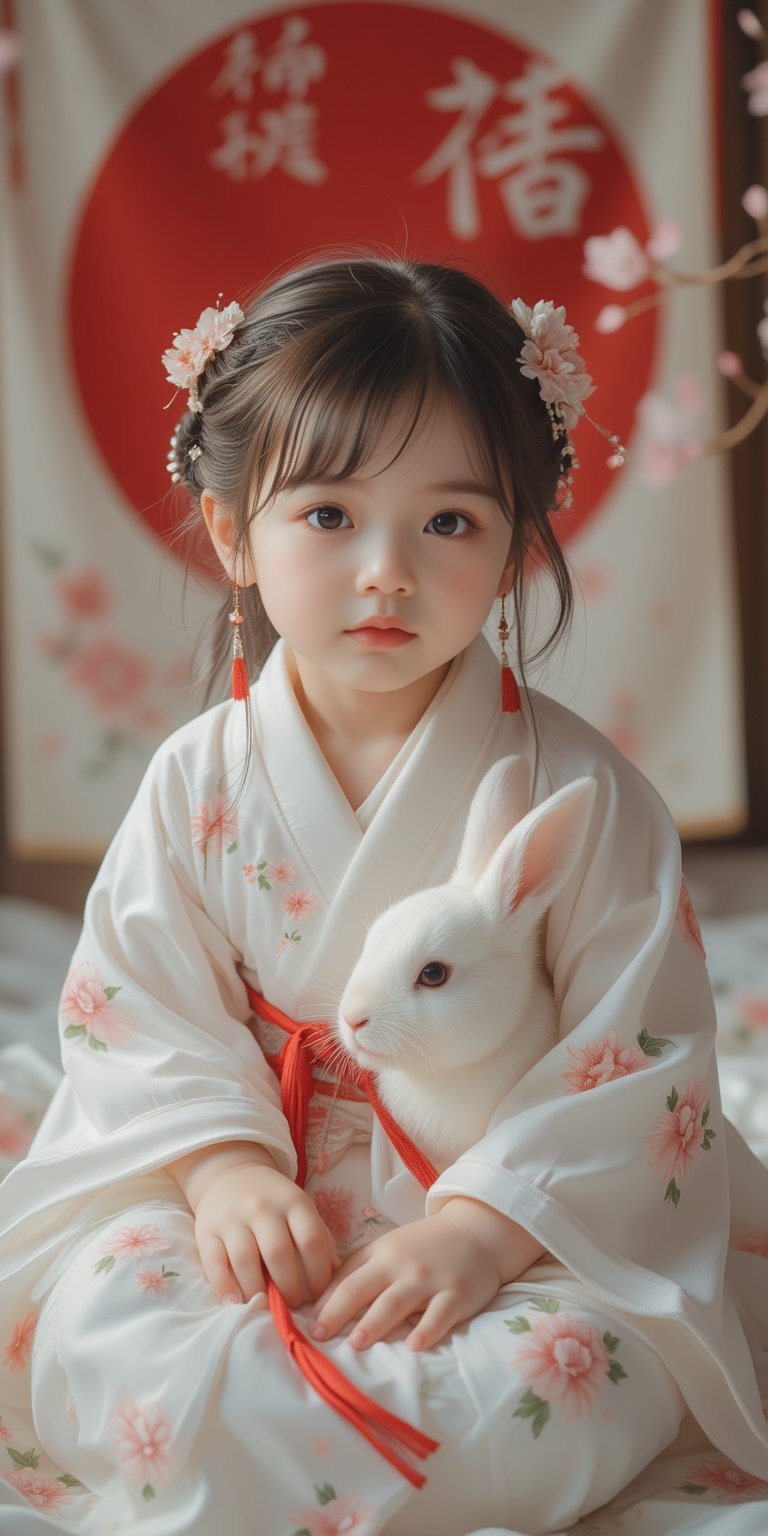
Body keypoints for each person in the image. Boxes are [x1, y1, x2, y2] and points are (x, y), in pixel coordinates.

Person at [0, 252, 767, 1536]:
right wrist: (226, 1172)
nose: (388, 571)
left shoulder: (579, 793)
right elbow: (138, 1014)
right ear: (236, 532)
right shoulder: (201, 778)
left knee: (557, 1388)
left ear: (522, 543)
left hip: (513, 1210)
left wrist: (477, 1231)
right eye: (330, 516)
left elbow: (640, 1059)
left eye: (450, 522)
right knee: (111, 1340)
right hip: (250, 1192)